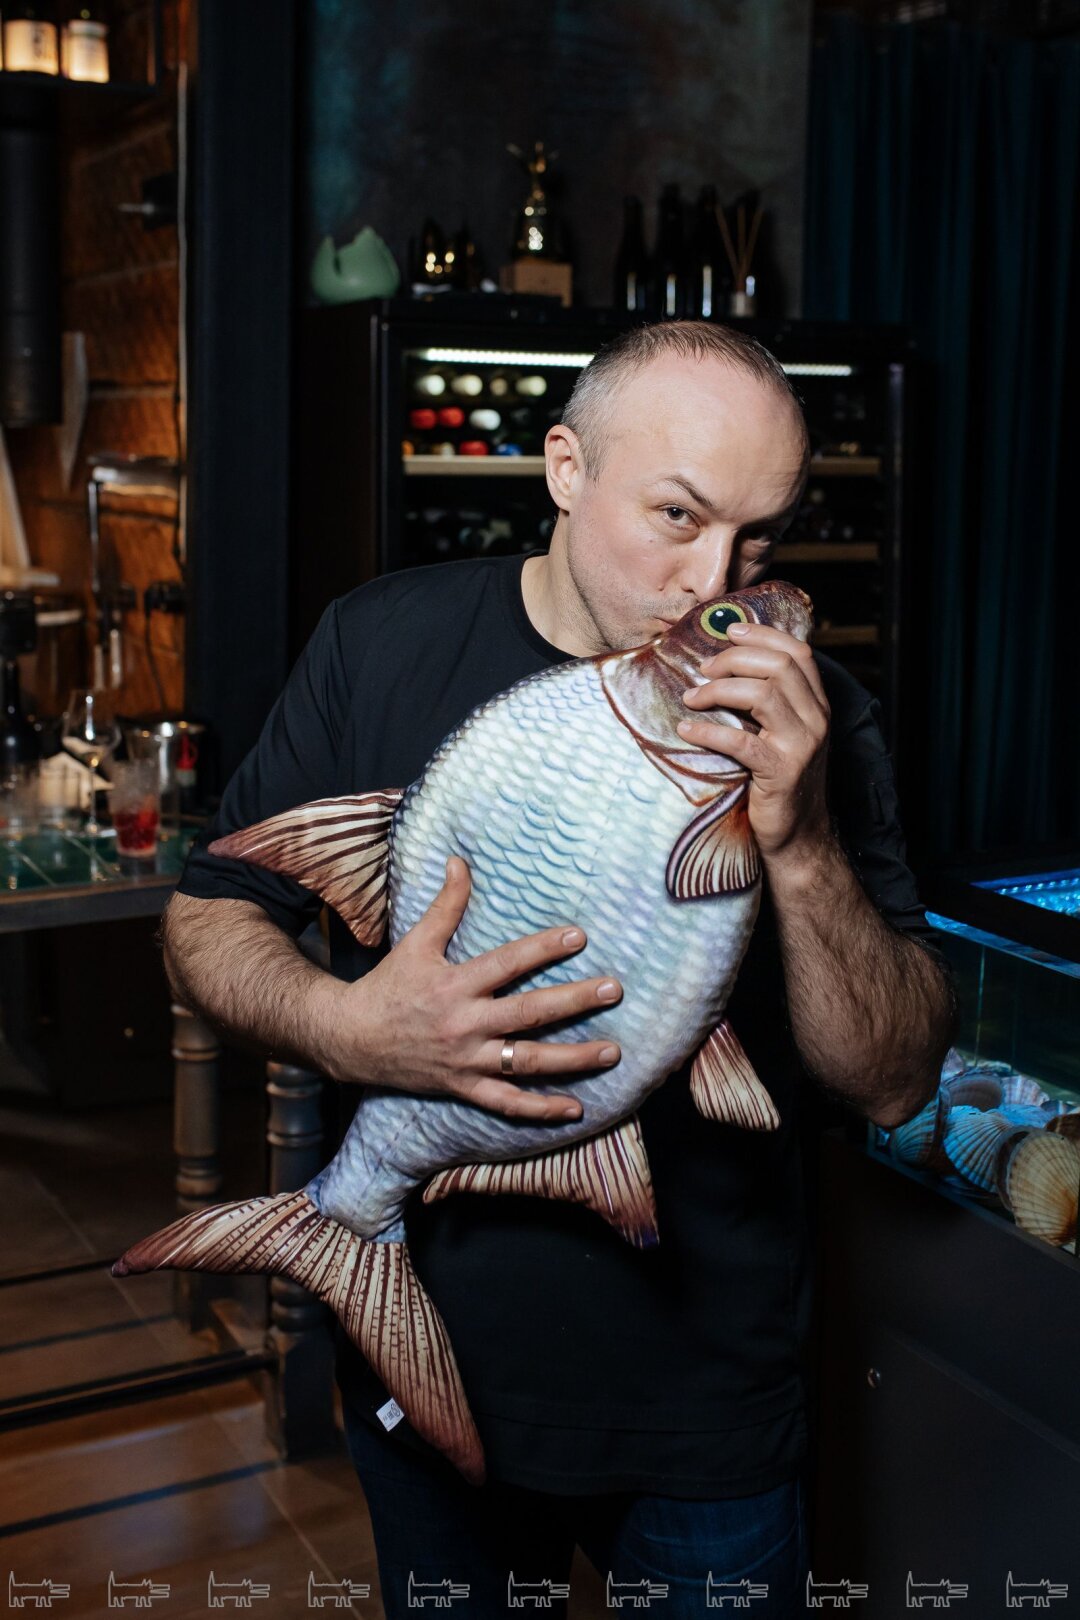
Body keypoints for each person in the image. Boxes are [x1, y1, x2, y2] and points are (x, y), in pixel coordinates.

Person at [163, 320, 955, 1617]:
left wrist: (800, 844)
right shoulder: (380, 643)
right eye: (678, 516)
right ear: (566, 468)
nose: (713, 581)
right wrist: (346, 1025)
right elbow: (210, 915)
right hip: (435, 1374)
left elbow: (896, 1078)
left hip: (708, 1410)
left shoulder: (822, 720)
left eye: (760, 541)